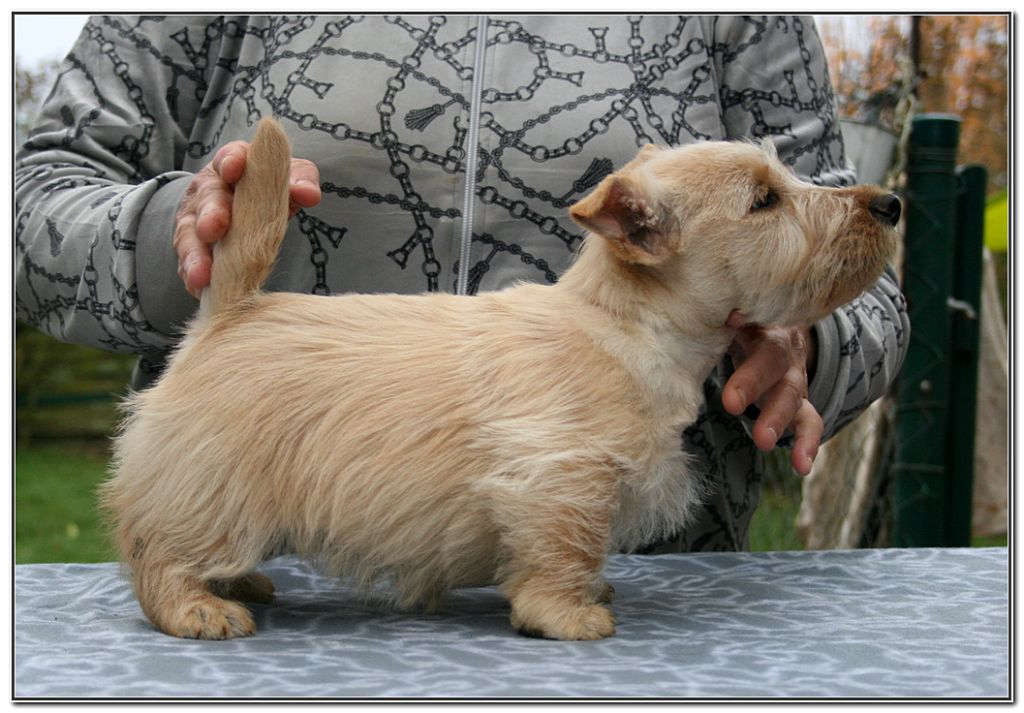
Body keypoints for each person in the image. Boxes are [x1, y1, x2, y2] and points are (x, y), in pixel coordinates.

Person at [15, 14, 909, 551]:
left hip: (647, 609)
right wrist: (179, 242)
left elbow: (862, 263)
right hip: (261, 589)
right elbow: (29, 209)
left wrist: (811, 336)